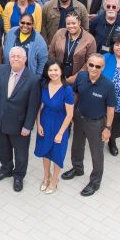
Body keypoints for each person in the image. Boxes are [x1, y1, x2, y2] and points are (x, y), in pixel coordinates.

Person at [61, 52, 116, 196]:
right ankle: (77, 168)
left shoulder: (108, 86)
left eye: (98, 66)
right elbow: (75, 94)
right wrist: (71, 113)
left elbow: (111, 110)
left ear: (103, 68)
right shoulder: (81, 77)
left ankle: (95, 182)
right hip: (79, 118)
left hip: (96, 123)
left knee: (97, 154)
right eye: (91, 65)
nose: (94, 68)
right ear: (87, 65)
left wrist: (107, 128)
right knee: (77, 146)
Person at [0, 47, 40, 192]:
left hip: (20, 125)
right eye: (13, 56)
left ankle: (18, 176)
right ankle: (6, 169)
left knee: (20, 154)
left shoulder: (32, 79)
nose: (15, 59)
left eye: (19, 56)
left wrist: (28, 126)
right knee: (3, 149)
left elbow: (33, 105)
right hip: (1, 119)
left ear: (25, 59)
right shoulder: (1, 69)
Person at [34, 58, 75, 194]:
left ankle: (55, 180)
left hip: (60, 124)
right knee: (45, 151)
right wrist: (38, 124)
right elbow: (39, 107)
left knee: (57, 153)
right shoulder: (44, 85)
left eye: (56, 70)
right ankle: (46, 177)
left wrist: (61, 133)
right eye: (50, 70)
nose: (53, 73)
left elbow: (69, 115)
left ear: (61, 71)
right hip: (45, 121)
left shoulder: (67, 90)